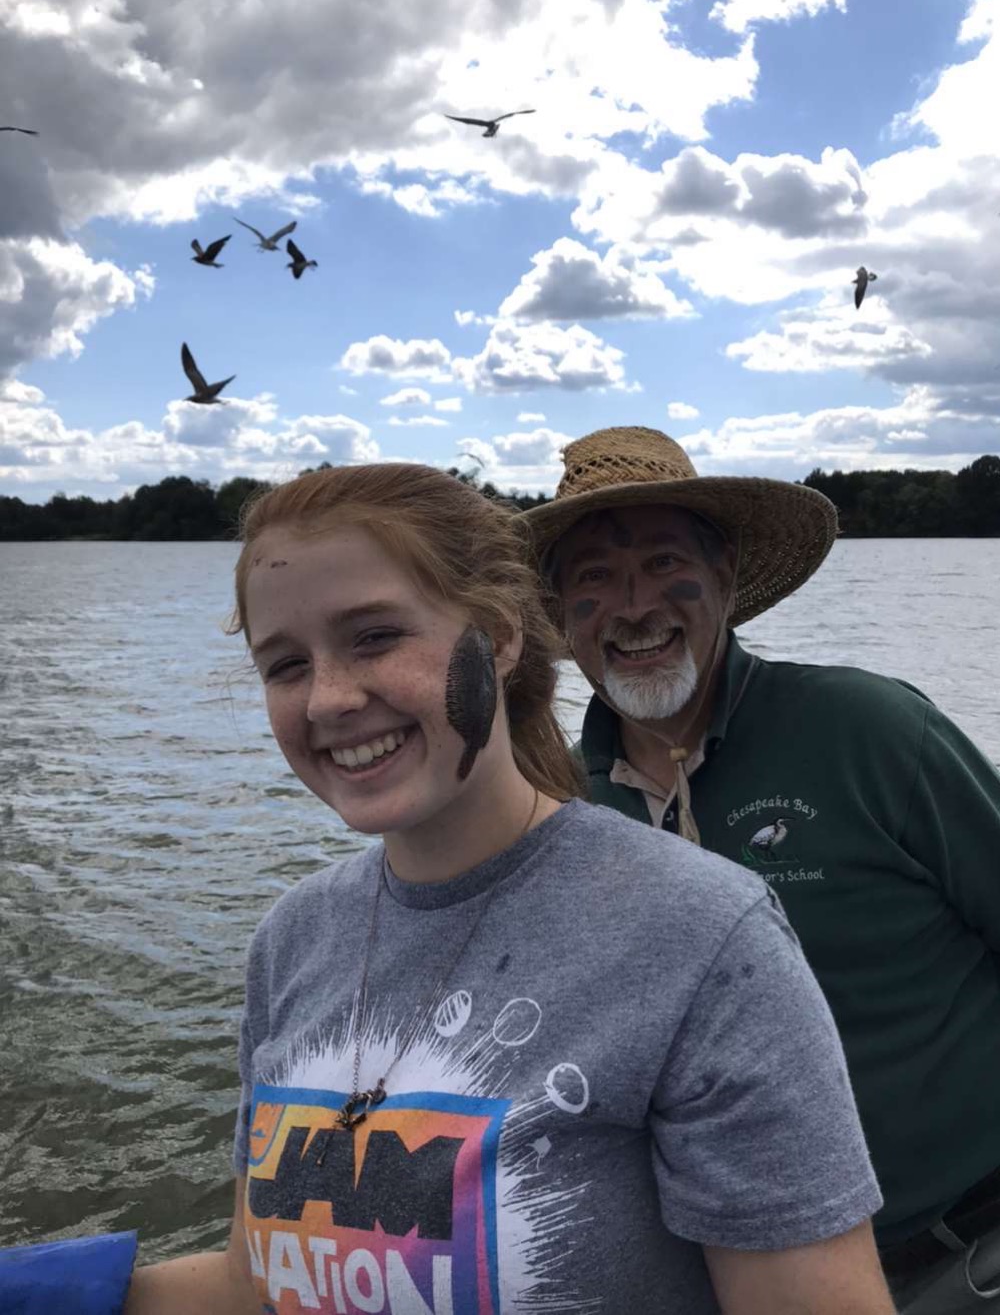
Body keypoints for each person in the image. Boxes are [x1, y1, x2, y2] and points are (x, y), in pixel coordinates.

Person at [75, 460, 899, 1315]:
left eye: (376, 636)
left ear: (503, 636)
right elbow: (262, 1280)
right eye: (284, 665)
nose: (327, 698)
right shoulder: (292, 940)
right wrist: (64, 1290)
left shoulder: (702, 935)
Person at [522, 424, 1000, 1314]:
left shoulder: (870, 731)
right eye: (594, 577)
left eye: (666, 561)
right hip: (742, 1282)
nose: (633, 606)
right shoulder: (554, 804)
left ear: (728, 578)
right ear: (560, 615)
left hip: (971, 1249)